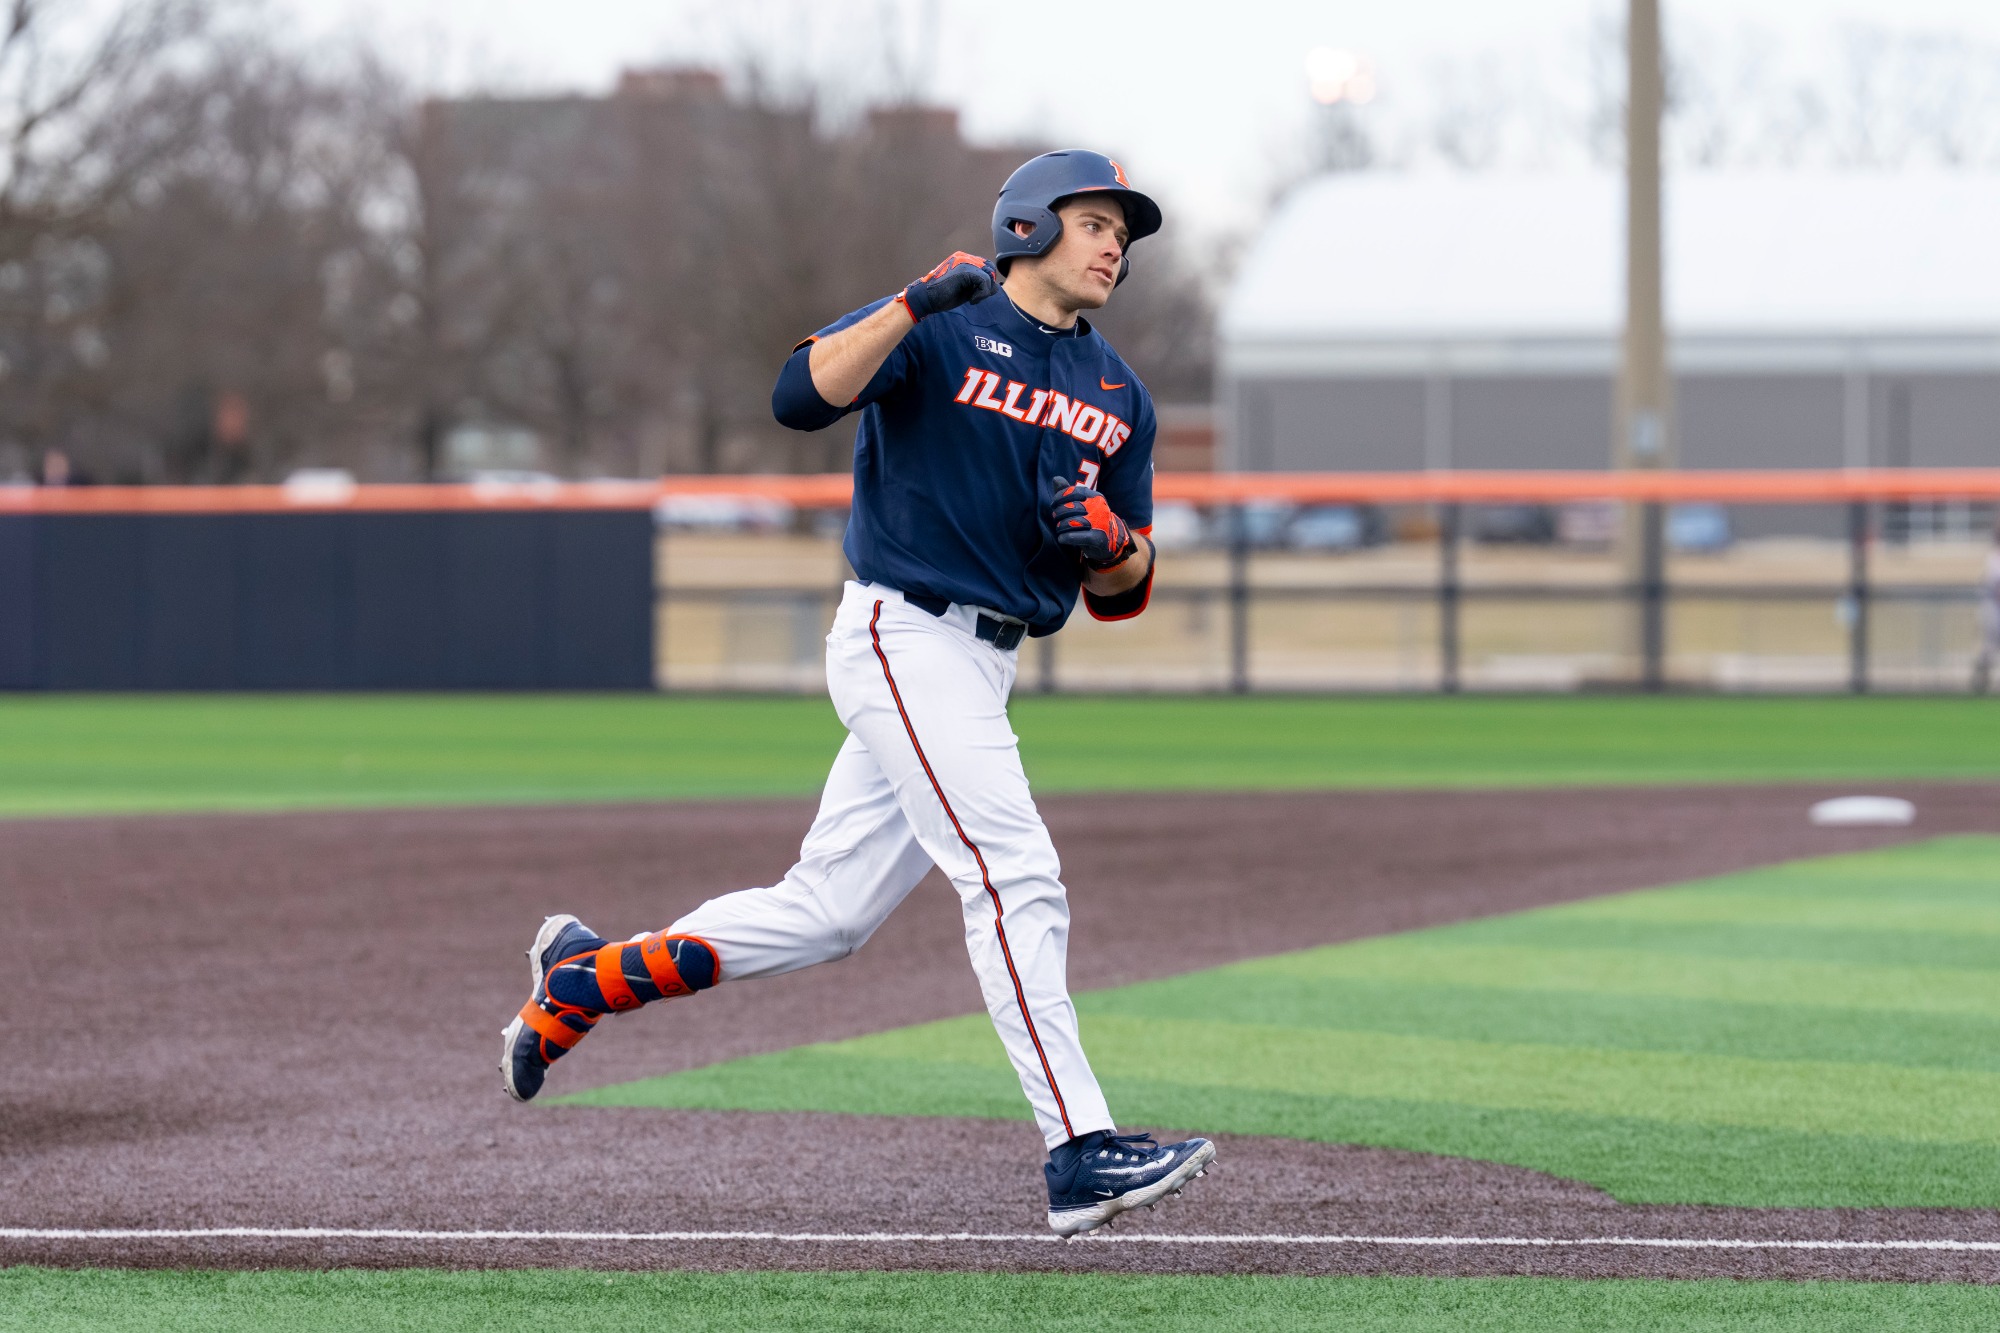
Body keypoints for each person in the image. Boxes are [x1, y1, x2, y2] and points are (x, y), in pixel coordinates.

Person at [498, 150, 1213, 1237]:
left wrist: (1110, 543)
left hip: (985, 658)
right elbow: (798, 396)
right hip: (903, 630)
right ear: (1026, 224)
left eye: (1124, 229)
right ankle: (1078, 1150)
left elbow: (1127, 588)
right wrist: (912, 299)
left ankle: (584, 979)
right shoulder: (938, 327)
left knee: (826, 914)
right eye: (1094, 220)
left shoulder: (1118, 392)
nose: (1115, 242)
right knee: (1014, 873)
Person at [1975, 524, 2000, 693]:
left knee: (1990, 647)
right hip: (1993, 607)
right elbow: (1995, 585)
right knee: (1989, 647)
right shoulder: (1994, 557)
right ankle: (1981, 679)